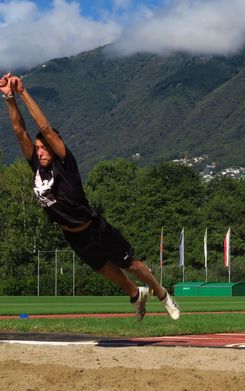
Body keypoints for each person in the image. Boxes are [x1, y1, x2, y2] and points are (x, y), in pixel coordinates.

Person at [0, 73, 179, 321]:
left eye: (44, 148)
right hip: (74, 235)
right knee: (104, 269)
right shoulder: (37, 167)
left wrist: (22, 92)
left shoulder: (65, 163)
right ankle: (137, 295)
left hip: (94, 227)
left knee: (133, 265)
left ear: (55, 146)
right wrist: (8, 98)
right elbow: (20, 131)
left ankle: (162, 293)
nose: (40, 152)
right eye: (38, 148)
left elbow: (44, 128)